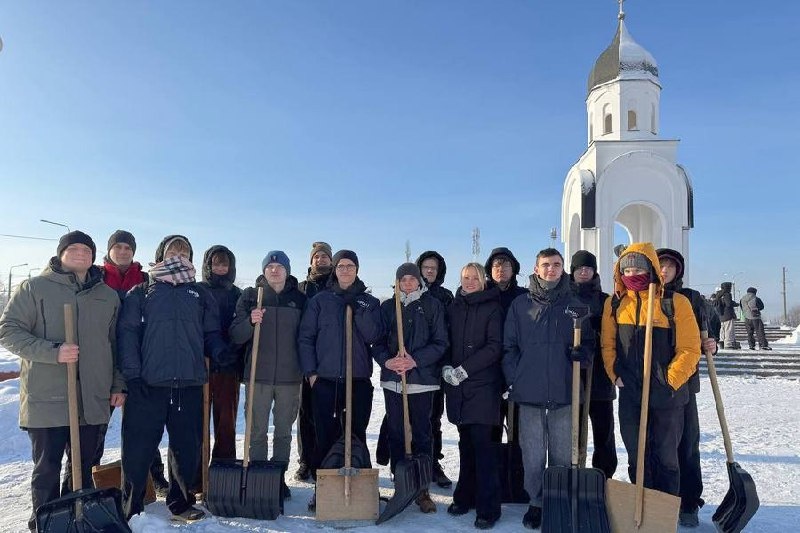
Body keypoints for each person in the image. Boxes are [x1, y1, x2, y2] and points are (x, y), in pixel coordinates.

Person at [0, 231, 125, 532]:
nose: (81, 253)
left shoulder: (107, 296)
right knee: (47, 467)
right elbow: (8, 330)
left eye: (87, 249)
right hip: (48, 396)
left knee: (84, 465)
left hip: (92, 396)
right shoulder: (35, 288)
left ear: (94, 256)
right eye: (74, 248)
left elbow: (116, 344)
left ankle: (75, 519)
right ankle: (45, 523)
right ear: (61, 253)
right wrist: (53, 352)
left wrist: (117, 384)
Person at [117, 235, 229, 522]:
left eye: (184, 250)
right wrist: (132, 375)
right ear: (161, 255)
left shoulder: (199, 294)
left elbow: (210, 332)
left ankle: (180, 503)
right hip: (148, 385)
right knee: (138, 450)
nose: (179, 254)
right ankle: (131, 508)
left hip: (188, 384)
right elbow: (128, 335)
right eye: (172, 250)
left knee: (186, 448)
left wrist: (219, 350)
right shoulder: (142, 292)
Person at [67, 230, 169, 498]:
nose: (123, 252)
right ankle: (84, 481)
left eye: (128, 248)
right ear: (109, 250)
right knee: (95, 426)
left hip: (138, 360)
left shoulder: (146, 279)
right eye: (118, 247)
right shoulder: (96, 277)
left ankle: (155, 476)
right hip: (104, 361)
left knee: (142, 425)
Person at [601, 243, 701, 500]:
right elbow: (608, 345)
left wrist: (669, 380)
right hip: (631, 392)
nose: (632, 275)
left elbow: (690, 348)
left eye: (638, 269)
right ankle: (642, 506)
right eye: (627, 270)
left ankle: (665, 507)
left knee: (666, 456)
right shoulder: (615, 304)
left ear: (651, 269)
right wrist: (615, 374)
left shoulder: (674, 303)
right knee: (637, 454)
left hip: (667, 393)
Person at [503, 248, 593, 530]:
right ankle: (536, 501)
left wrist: (583, 354)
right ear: (536, 268)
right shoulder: (520, 305)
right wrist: (515, 378)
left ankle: (557, 499)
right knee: (532, 453)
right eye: (545, 264)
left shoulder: (575, 304)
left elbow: (589, 344)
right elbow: (509, 347)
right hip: (528, 392)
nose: (551, 269)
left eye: (556, 264)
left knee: (562, 452)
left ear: (562, 268)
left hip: (565, 390)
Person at [298, 250, 384, 511]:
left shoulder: (368, 302)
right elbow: (306, 337)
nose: (345, 270)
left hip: (358, 380)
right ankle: (323, 489)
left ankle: (358, 488)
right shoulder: (320, 301)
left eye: (350, 266)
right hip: (325, 380)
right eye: (341, 266)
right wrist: (311, 373)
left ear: (357, 269)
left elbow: (374, 335)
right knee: (325, 435)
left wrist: (358, 310)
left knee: (356, 433)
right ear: (334, 270)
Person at [230, 250, 306, 498]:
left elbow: (306, 337)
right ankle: (258, 477)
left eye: (280, 266)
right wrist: (250, 322)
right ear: (264, 270)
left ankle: (277, 479)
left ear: (287, 271)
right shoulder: (251, 296)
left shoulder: (299, 299)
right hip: (258, 376)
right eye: (270, 266)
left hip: (289, 377)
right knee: (257, 430)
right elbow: (236, 335)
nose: (275, 270)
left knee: (283, 431)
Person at [373, 263, 448, 514]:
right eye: (402, 279)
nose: (407, 283)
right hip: (393, 380)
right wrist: (387, 361)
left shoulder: (431, 305)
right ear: (396, 283)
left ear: (419, 281)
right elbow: (377, 342)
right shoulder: (388, 307)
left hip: (422, 380)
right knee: (396, 431)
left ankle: (422, 487)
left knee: (422, 433)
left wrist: (415, 360)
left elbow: (441, 342)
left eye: (411, 279)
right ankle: (401, 481)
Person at [657, 248, 718, 527]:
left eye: (670, 266)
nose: (665, 271)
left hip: (684, 383)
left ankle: (689, 501)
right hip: (652, 383)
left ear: (678, 271)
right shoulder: (644, 297)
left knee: (687, 443)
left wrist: (711, 343)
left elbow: (710, 328)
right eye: (661, 265)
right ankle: (659, 497)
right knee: (657, 444)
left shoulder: (692, 298)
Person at [444, 262, 504, 529]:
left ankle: (488, 507)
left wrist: (465, 370)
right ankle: (464, 496)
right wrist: (446, 366)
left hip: (483, 386)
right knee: (465, 444)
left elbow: (494, 347)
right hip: (457, 387)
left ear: (483, 281)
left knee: (484, 448)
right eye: (465, 277)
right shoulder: (454, 307)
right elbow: (446, 341)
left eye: (475, 278)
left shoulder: (492, 307)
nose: (469, 282)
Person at [570, 250, 617, 479]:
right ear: (572, 271)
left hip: (600, 378)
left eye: (588, 268)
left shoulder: (606, 301)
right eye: (579, 268)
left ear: (594, 271)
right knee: (574, 432)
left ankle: (603, 476)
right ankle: (575, 471)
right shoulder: (565, 299)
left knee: (603, 433)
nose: (583, 272)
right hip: (573, 377)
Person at [199, 246, 246, 462]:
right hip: (202, 365)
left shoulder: (237, 294)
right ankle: (199, 471)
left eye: (224, 264)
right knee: (198, 421)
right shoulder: (198, 291)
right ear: (208, 266)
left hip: (228, 365)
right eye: (216, 264)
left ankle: (223, 465)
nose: (220, 268)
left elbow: (241, 326)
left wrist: (233, 351)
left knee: (226, 420)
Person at [295, 241, 333, 482]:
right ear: (311, 261)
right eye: (316, 256)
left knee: (327, 413)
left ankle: (326, 459)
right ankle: (305, 461)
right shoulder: (301, 288)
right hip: (305, 357)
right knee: (305, 411)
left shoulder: (336, 286)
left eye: (325, 256)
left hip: (330, 358)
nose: (321, 260)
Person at [416, 251, 455, 488]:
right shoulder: (409, 291)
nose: (430, 271)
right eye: (426, 267)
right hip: (411, 367)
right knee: (408, 417)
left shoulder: (445, 297)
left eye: (434, 268)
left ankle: (433, 462)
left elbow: (450, 332)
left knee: (433, 417)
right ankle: (409, 462)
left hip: (436, 367)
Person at [716, 282, 740, 349]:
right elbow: (728, 303)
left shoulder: (718, 294)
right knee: (728, 329)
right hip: (728, 315)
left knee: (722, 330)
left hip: (721, 315)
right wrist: (735, 304)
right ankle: (728, 344)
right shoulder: (727, 294)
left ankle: (722, 343)